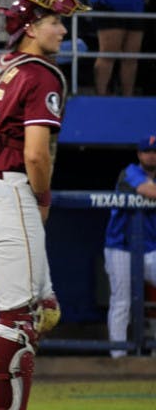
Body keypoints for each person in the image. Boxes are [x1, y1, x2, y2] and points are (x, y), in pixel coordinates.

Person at [0, 0, 88, 410]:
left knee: (44, 309)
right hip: (11, 190)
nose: (63, 31)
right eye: (54, 21)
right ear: (30, 26)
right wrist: (43, 199)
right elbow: (35, 156)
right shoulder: (40, 75)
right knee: (19, 322)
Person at [103, 134, 156, 358]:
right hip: (121, 246)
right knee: (121, 301)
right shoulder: (129, 173)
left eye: (154, 152)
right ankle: (118, 358)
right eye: (147, 151)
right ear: (139, 154)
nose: (151, 156)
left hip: (150, 246)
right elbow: (149, 191)